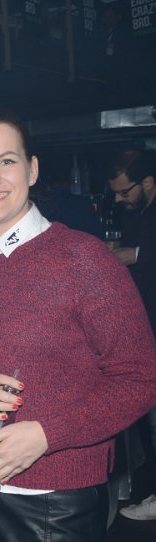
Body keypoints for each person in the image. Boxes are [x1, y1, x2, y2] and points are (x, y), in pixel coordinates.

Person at [0, 112, 156, 542]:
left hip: (54, 505)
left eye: (6, 161)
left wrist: (46, 435)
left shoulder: (85, 260)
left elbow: (140, 378)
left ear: (32, 170)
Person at [107, 149, 156, 521]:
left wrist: (135, 255)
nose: (119, 199)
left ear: (148, 183)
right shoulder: (136, 214)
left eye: (125, 191)